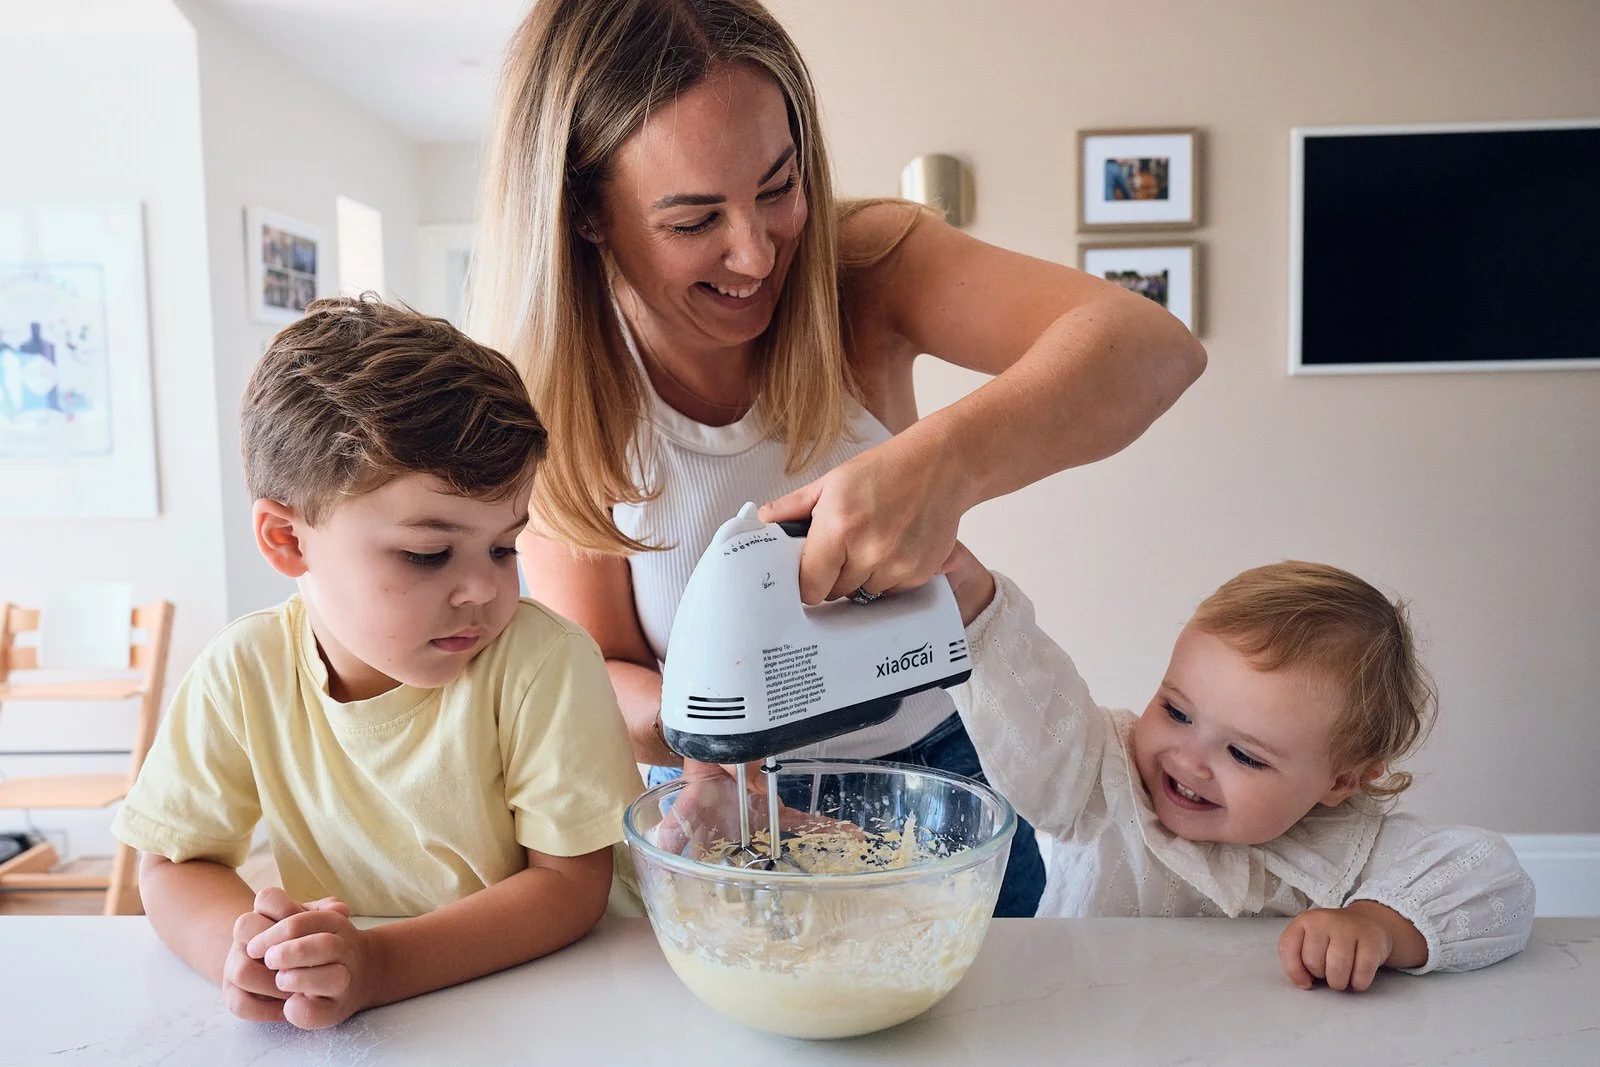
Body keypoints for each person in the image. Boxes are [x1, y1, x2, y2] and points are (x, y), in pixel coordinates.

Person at [469, 0, 1207, 919]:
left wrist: (942, 466)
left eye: (778, 186)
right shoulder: (560, 395)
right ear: (584, 214)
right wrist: (714, 734)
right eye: (695, 219)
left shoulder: (867, 267)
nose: (757, 251)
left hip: (949, 771)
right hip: (734, 808)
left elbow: (1153, 349)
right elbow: (603, 669)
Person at [112, 296, 644, 1030]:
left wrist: (380, 964)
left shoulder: (542, 663)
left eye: (503, 546)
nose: (486, 590)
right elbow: (173, 864)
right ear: (287, 541)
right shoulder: (243, 672)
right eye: (428, 553)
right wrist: (249, 953)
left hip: (565, 1006)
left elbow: (570, 885)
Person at [937, 546, 1535, 990]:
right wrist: (973, 608)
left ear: (1341, 781)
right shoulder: (1101, 779)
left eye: (1245, 754)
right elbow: (1029, 709)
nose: (1190, 759)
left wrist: (1379, 925)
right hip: (1091, 1027)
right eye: (1176, 711)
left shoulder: (1349, 846)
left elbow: (1494, 882)